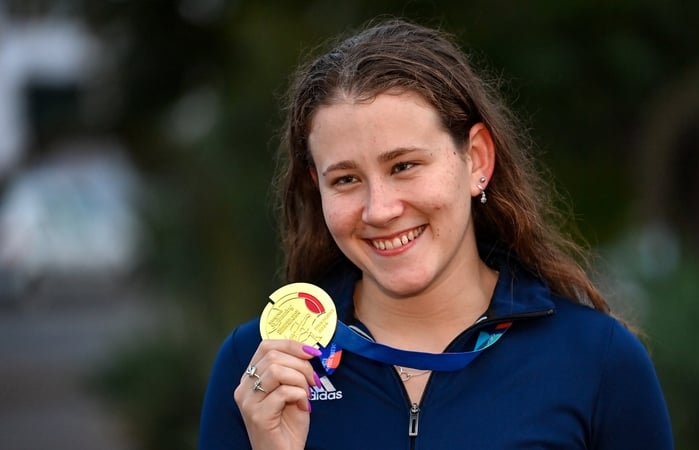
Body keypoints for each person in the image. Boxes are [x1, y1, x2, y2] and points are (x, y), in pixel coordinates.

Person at [198, 18, 673, 450]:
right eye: (345, 179)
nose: (379, 210)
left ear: (477, 161)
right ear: (316, 188)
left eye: (404, 166)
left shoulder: (597, 360)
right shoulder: (257, 369)